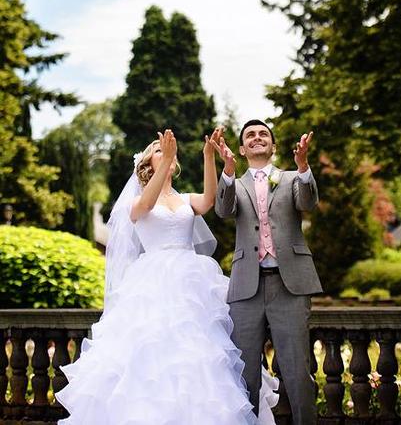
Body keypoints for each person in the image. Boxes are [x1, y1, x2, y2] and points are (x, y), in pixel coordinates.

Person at [56, 128, 278, 425]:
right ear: (147, 167)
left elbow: (209, 200)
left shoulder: (184, 198)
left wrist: (209, 157)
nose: (165, 152)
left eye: (167, 151)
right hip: (154, 283)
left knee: (200, 356)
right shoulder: (138, 202)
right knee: (155, 354)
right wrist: (166, 159)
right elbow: (146, 207)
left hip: (193, 281)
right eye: (157, 151)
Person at [214, 120, 322, 425]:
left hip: (290, 286)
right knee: (245, 373)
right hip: (246, 288)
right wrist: (228, 171)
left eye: (264, 134)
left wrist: (303, 166)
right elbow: (223, 210)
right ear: (242, 148)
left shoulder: (291, 178)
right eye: (250, 135)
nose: (257, 137)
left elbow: (308, 202)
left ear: (273, 146)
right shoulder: (234, 181)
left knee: (298, 372)